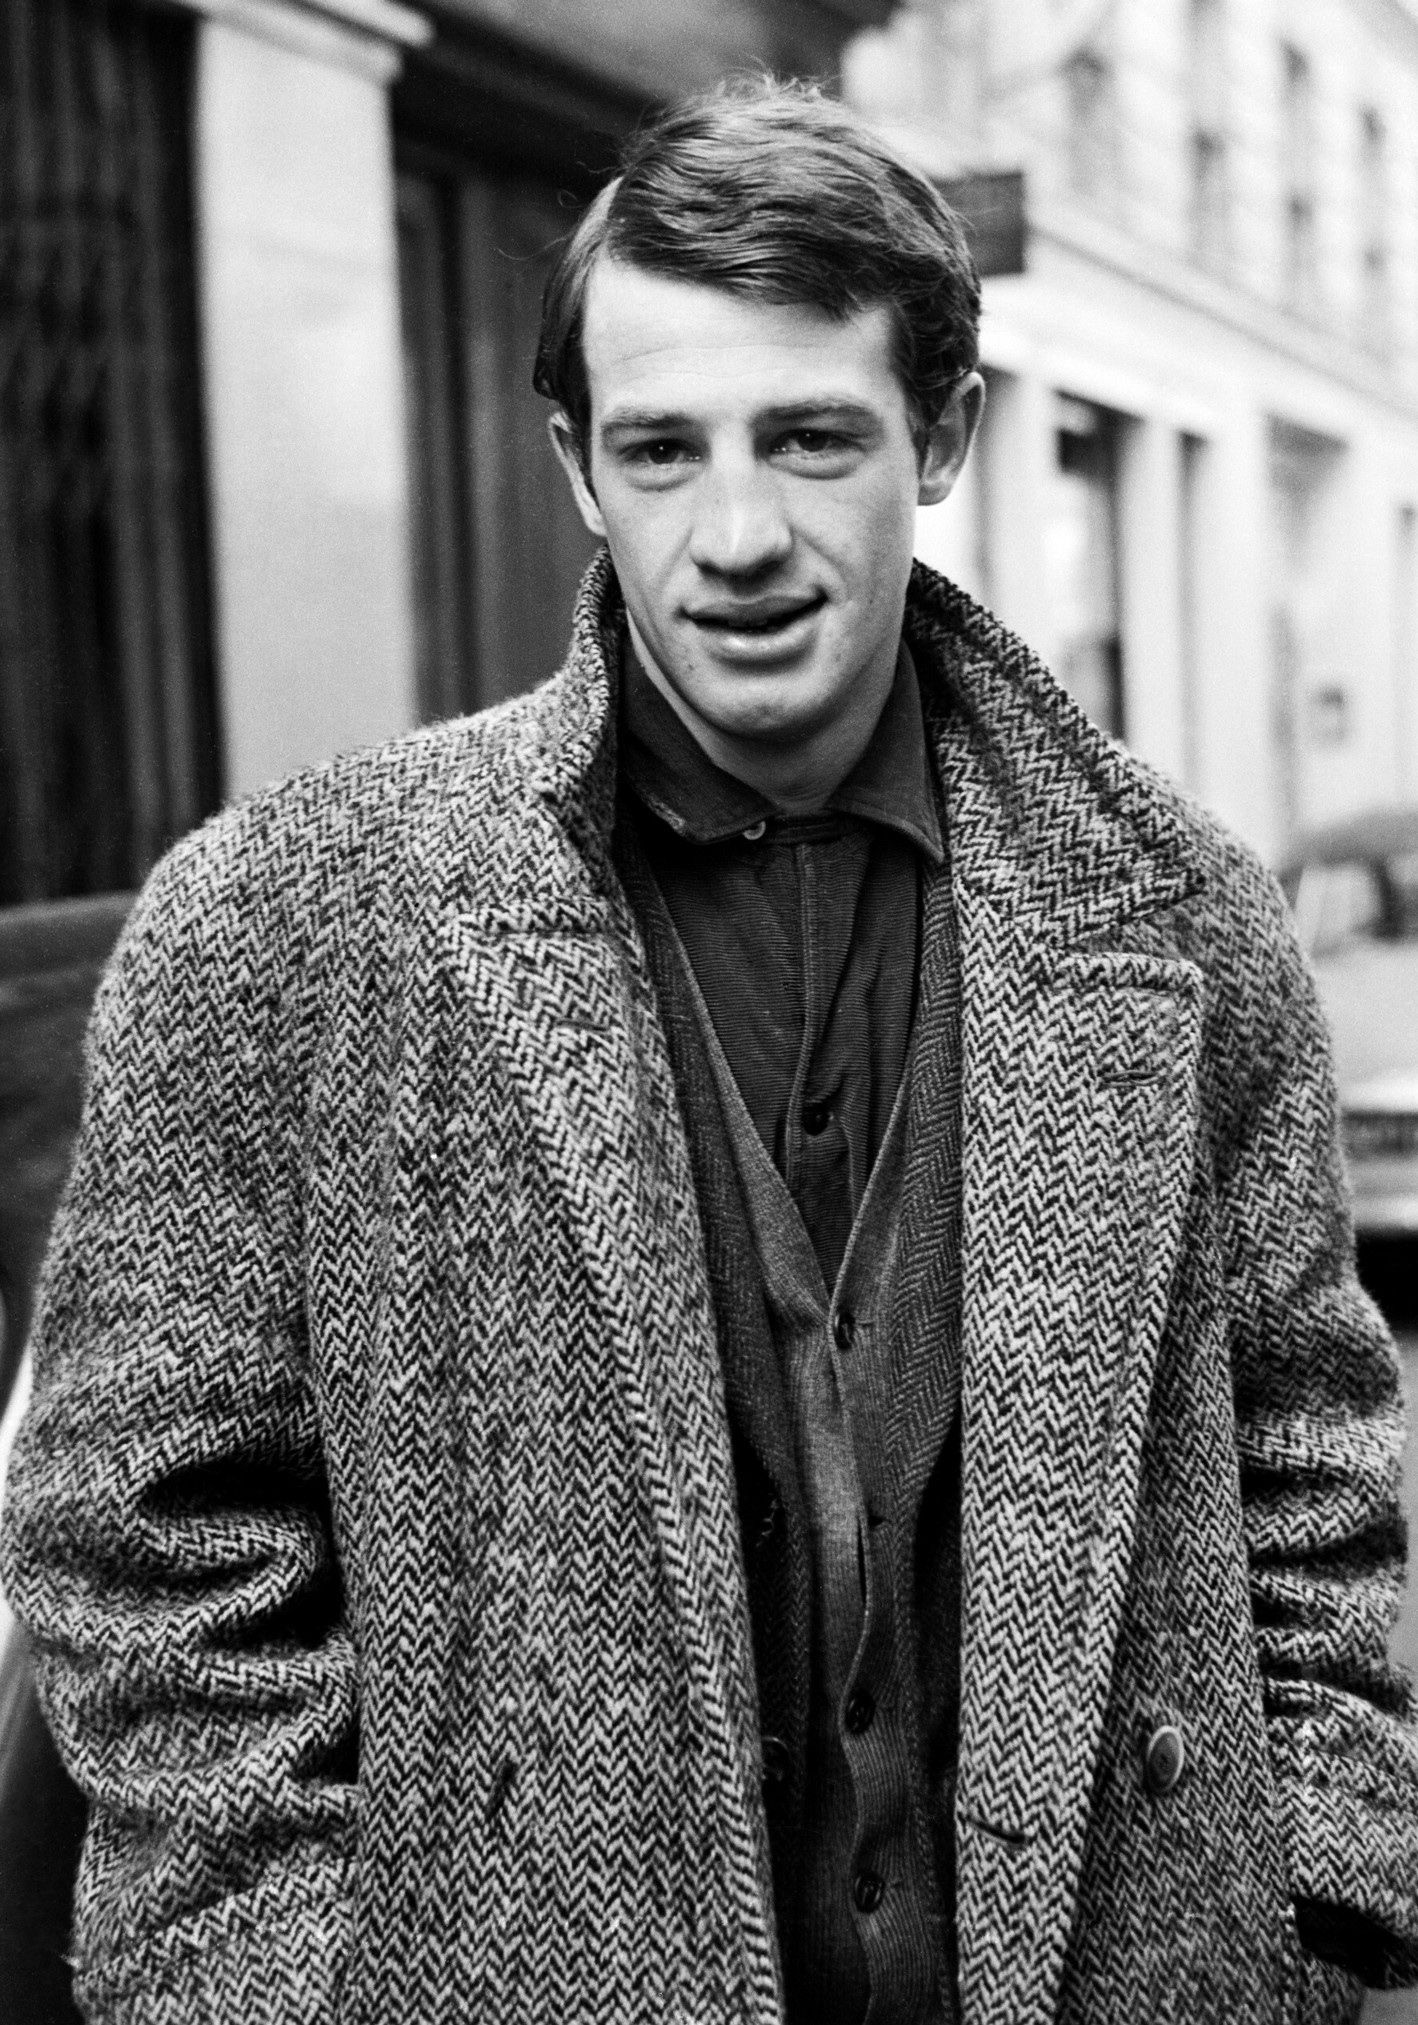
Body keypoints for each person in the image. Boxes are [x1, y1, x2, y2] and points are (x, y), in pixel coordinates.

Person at [4, 77, 1417, 2025]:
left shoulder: (1182, 915)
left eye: (809, 437)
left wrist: (1312, 1911)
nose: (735, 535)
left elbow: (1314, 1467)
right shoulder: (285, 924)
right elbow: (141, 1545)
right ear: (579, 466)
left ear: (941, 432)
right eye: (661, 448)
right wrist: (297, 1981)